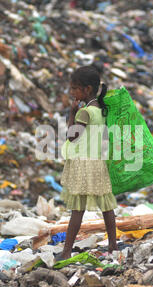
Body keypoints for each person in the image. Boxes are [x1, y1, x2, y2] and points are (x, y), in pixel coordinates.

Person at [59, 65, 118, 260]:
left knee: (77, 210)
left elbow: (72, 137)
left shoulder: (84, 112)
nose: (72, 92)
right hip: (97, 162)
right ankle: (113, 246)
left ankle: (66, 251)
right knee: (106, 206)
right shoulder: (100, 109)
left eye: (75, 88)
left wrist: (71, 113)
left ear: (87, 90)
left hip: (83, 164)